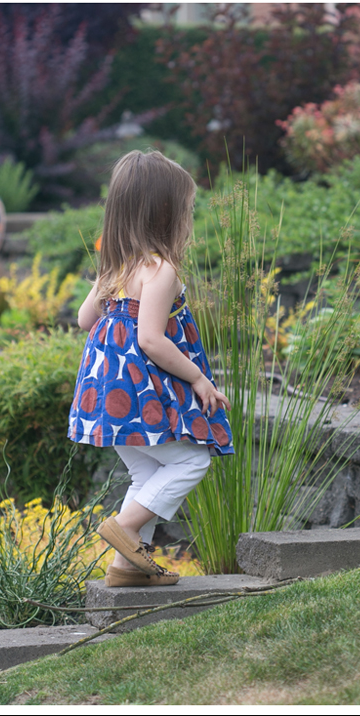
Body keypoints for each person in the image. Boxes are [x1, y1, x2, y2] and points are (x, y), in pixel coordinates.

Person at [68, 150, 234, 588]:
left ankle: (127, 566)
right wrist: (199, 378)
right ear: (167, 214)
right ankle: (123, 530)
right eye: (187, 209)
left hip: (107, 394)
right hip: (143, 398)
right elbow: (151, 339)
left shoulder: (114, 269)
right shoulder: (160, 270)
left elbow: (86, 320)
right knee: (192, 462)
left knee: (147, 473)